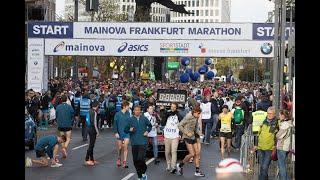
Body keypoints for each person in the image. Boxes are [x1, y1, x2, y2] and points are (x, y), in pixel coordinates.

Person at [124, 105, 152, 180]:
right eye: (135, 110)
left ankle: (144, 171)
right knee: (135, 160)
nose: (137, 111)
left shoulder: (144, 118)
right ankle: (140, 176)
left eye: (138, 110)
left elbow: (150, 126)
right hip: (134, 142)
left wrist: (147, 131)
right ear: (133, 111)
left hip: (143, 141)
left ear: (140, 111)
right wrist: (129, 129)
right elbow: (125, 130)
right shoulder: (130, 119)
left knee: (140, 158)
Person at [176, 106, 205, 177]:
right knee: (192, 154)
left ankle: (197, 171)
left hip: (193, 136)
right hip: (187, 137)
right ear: (195, 112)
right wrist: (186, 133)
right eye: (198, 113)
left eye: (199, 114)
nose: (199, 115)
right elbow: (179, 125)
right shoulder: (188, 116)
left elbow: (195, 127)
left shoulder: (196, 117)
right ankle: (180, 165)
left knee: (197, 153)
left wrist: (199, 133)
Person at [254, 106, 279, 180]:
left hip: (270, 148)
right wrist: (255, 145)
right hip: (260, 147)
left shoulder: (277, 123)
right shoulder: (263, 122)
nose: (269, 115)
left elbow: (279, 135)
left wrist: (276, 146)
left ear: (274, 114)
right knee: (262, 166)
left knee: (265, 166)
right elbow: (258, 134)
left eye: (271, 114)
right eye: (268, 113)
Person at [160, 103, 183, 173]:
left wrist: (180, 134)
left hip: (175, 136)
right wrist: (163, 113)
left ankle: (173, 166)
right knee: (167, 152)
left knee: (174, 151)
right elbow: (162, 123)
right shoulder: (167, 113)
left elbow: (181, 125)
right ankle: (168, 165)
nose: (172, 108)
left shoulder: (179, 115)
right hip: (167, 135)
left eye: (174, 107)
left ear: (176, 108)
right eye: (171, 107)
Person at [276, 110, 293, 180]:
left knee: (281, 166)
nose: (279, 116)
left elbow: (279, 135)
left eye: (280, 115)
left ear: (283, 116)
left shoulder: (284, 124)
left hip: (282, 146)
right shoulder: (289, 123)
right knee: (282, 165)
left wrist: (276, 134)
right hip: (285, 146)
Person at [113, 101, 131, 168]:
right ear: (124, 106)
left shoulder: (128, 113)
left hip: (126, 133)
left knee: (125, 146)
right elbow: (115, 124)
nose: (129, 107)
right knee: (120, 147)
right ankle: (119, 158)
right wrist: (116, 132)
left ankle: (124, 162)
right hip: (119, 133)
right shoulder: (117, 114)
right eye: (128, 106)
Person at [84, 100, 100, 166]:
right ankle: (87, 159)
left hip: (88, 129)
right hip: (93, 130)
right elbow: (95, 123)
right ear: (96, 106)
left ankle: (92, 159)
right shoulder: (94, 112)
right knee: (91, 145)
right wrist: (97, 131)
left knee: (91, 144)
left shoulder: (89, 111)